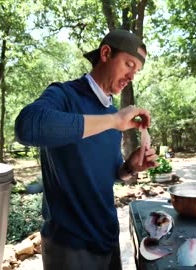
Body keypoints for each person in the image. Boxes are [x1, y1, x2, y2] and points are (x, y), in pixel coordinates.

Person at [14, 29, 158, 270]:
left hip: (107, 238)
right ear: (105, 53)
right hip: (70, 247)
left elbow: (111, 174)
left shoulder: (113, 113)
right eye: (128, 64)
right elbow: (26, 127)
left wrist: (130, 167)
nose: (132, 76)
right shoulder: (65, 95)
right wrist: (114, 122)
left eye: (137, 71)